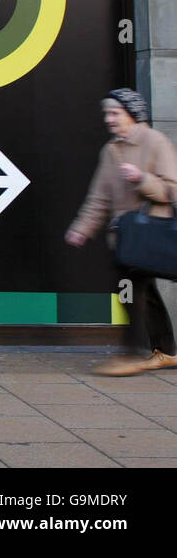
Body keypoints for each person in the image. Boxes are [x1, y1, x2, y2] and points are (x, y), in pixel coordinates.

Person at [66, 88, 177, 376]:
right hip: (127, 240)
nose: (109, 119)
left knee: (132, 293)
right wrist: (82, 229)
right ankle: (165, 351)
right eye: (107, 113)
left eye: (115, 113)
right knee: (141, 294)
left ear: (132, 114)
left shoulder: (155, 142)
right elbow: (99, 197)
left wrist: (142, 179)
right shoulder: (111, 150)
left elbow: (172, 190)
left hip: (150, 237)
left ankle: (132, 353)